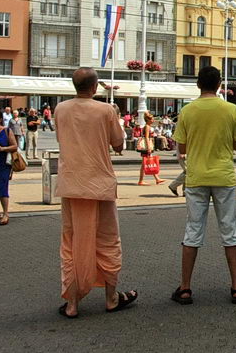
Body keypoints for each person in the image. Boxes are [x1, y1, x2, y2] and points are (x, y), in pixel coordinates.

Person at [54, 67, 136, 318]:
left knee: (71, 241)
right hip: (100, 183)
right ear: (94, 86)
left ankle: (72, 303)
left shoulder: (60, 109)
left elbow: (61, 138)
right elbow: (118, 144)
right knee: (108, 240)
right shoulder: (106, 110)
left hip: (71, 183)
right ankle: (111, 297)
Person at [171, 66, 236, 305]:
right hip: (223, 177)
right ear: (219, 85)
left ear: (198, 84)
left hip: (196, 178)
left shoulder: (187, 111)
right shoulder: (230, 109)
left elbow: (182, 148)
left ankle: (185, 288)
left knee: (193, 231)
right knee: (230, 230)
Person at [137, 113, 164, 186]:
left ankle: (157, 179)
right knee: (145, 163)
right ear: (148, 120)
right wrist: (148, 147)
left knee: (147, 163)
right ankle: (141, 181)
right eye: (152, 119)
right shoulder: (147, 127)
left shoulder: (148, 126)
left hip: (147, 146)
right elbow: (146, 137)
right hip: (146, 147)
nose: (153, 120)